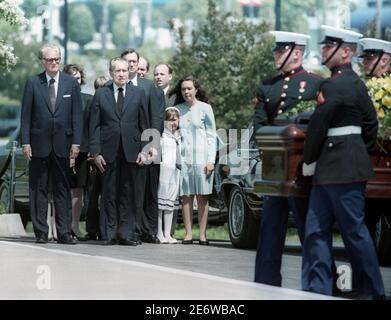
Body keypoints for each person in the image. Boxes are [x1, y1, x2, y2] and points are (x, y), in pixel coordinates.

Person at [301, 25, 385, 299]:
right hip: (342, 167)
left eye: (328, 47)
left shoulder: (333, 85)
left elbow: (318, 126)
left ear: (345, 52)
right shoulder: (357, 84)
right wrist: (359, 150)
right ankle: (367, 290)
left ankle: (324, 288)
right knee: (346, 232)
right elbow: (371, 123)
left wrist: (309, 158)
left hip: (333, 167)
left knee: (328, 232)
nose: (323, 51)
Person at [253, 31, 323, 287]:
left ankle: (319, 282)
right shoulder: (267, 85)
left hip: (300, 165)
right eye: (276, 51)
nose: (276, 55)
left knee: (308, 226)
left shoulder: (315, 83)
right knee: (270, 227)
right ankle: (265, 282)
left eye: (281, 51)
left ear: (296, 52)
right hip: (274, 165)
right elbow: (259, 124)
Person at [21, 44, 83, 245]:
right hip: (38, 144)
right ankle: (40, 231)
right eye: (50, 60)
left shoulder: (70, 83)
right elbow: (26, 116)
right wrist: (26, 142)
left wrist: (76, 143)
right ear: (42, 62)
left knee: (62, 190)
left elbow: (77, 116)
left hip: (63, 144)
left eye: (57, 59)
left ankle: (64, 232)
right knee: (38, 189)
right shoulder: (33, 83)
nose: (54, 63)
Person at [89, 57, 149, 246]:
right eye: (118, 71)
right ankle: (109, 233)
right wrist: (95, 152)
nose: (122, 74)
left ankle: (126, 233)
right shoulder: (101, 94)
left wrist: (145, 150)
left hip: (132, 151)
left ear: (129, 72)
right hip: (107, 152)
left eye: (124, 70)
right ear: (111, 73)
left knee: (128, 194)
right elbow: (94, 126)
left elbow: (145, 124)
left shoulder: (138, 93)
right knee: (109, 193)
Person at [121, 48, 165, 244]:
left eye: (133, 62)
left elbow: (156, 118)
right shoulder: (117, 86)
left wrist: (153, 146)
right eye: (127, 62)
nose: (131, 65)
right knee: (134, 191)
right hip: (128, 148)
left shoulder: (150, 88)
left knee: (150, 191)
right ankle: (135, 229)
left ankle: (149, 230)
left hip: (150, 146)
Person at [172, 75, 217, 245]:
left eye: (189, 88)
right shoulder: (177, 109)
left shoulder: (206, 108)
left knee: (202, 197)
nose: (186, 92)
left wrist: (211, 160)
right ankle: (189, 233)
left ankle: (203, 234)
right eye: (183, 89)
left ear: (196, 89)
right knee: (186, 197)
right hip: (184, 159)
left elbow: (212, 136)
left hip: (202, 159)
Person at [63, 63, 92, 241]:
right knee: (61, 190)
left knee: (78, 190)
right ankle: (62, 225)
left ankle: (74, 224)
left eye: (78, 77)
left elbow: (90, 127)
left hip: (82, 151)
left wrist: (88, 151)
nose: (76, 80)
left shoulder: (88, 99)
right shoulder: (60, 99)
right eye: (72, 77)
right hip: (62, 151)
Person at [84, 75, 110, 241]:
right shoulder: (92, 105)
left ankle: (101, 228)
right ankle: (94, 228)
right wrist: (91, 153)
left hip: (105, 156)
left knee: (99, 195)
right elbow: (89, 130)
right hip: (94, 156)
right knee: (93, 196)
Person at [156, 107, 182, 244]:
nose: (173, 123)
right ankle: (159, 232)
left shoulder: (179, 136)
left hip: (175, 172)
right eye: (170, 120)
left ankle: (168, 233)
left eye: (175, 120)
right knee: (161, 204)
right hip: (163, 172)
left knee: (170, 204)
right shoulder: (162, 136)